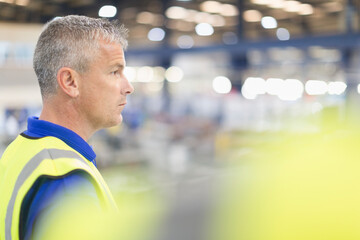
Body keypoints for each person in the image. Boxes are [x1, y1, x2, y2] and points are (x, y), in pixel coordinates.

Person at [0, 15, 134, 240]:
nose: (128, 87)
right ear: (70, 82)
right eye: (114, 72)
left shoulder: (21, 150)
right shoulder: (65, 181)